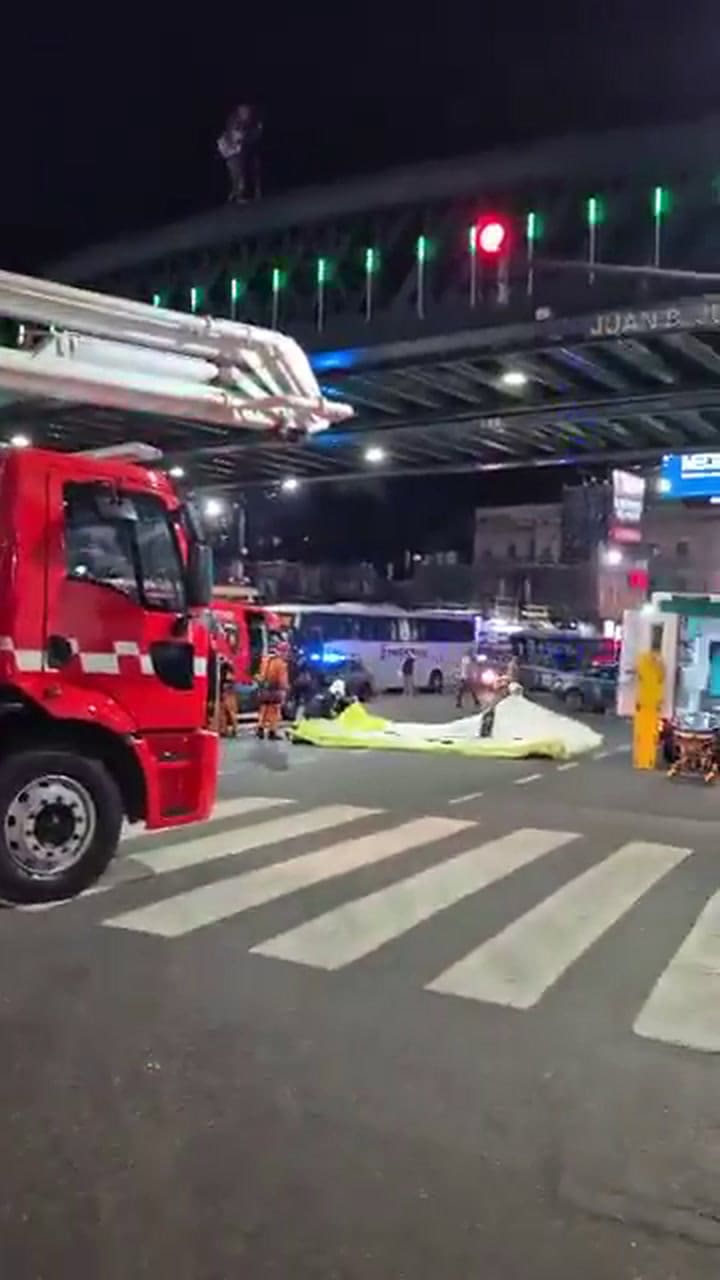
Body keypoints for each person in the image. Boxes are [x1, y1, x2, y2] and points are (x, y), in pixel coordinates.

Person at [217, 105, 262, 202]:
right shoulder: (234, 123)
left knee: (242, 173)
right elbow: (234, 139)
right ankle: (237, 196)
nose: (247, 114)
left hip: (238, 152)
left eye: (248, 112)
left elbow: (249, 139)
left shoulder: (247, 124)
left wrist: (256, 132)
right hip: (231, 153)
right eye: (244, 112)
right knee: (237, 175)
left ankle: (237, 194)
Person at [256, 636, 289, 740]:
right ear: (282, 651)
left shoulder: (266, 659)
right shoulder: (281, 663)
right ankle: (272, 731)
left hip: (264, 688)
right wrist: (286, 688)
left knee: (264, 709)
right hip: (275, 689)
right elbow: (282, 680)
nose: (287, 654)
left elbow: (260, 674)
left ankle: (260, 729)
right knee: (275, 711)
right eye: (286, 651)